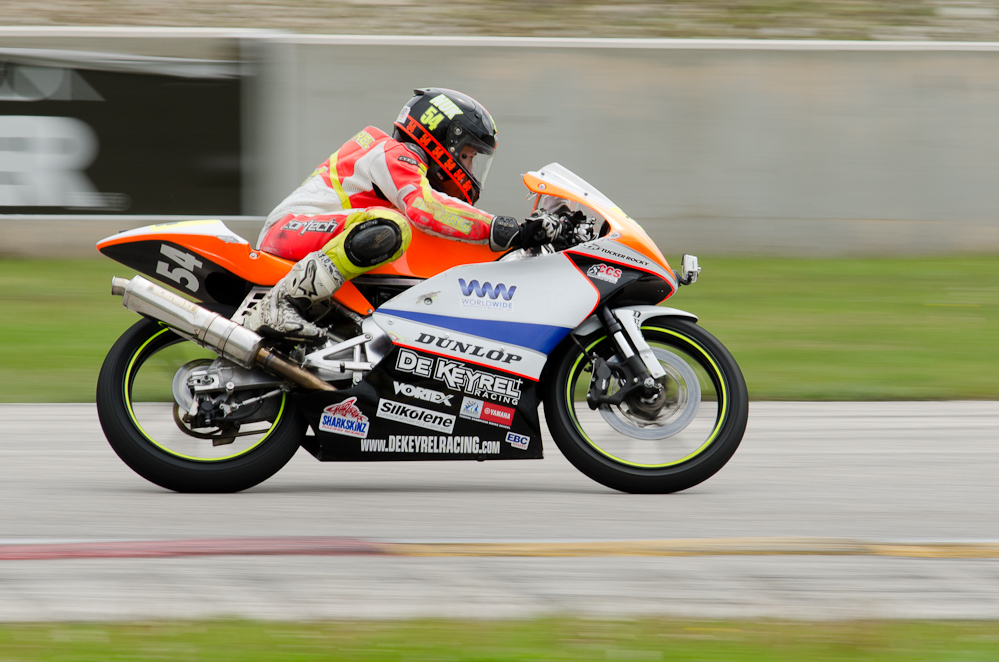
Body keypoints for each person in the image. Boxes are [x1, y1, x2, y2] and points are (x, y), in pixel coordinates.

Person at [244, 87, 559, 342]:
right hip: (291, 229)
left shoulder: (400, 165)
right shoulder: (394, 153)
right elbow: (426, 209)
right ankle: (281, 302)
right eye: (468, 155)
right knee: (389, 228)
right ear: (444, 141)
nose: (470, 168)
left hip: (317, 235)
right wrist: (505, 229)